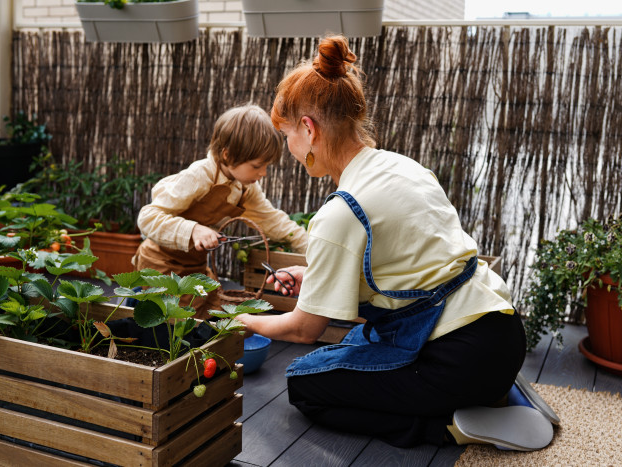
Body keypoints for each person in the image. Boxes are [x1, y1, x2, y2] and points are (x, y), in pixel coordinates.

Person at [235, 37, 557, 449]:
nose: (292, 151)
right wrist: (314, 278)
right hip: (504, 336)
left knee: (304, 383)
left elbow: (303, 330)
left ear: (308, 129)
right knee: (354, 345)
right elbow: (415, 265)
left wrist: (243, 322)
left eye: (288, 137)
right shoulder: (403, 167)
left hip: (457, 362)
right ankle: (500, 395)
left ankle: (451, 427)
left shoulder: (341, 211)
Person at [133, 104, 308, 319]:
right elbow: (148, 217)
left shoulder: (246, 188)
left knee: (212, 313)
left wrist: (313, 249)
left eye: (266, 166)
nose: (263, 173)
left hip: (195, 267)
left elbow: (274, 222)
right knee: (174, 323)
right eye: (256, 166)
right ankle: (135, 303)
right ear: (227, 155)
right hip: (161, 265)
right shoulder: (200, 176)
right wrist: (193, 230)